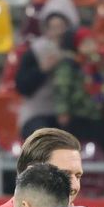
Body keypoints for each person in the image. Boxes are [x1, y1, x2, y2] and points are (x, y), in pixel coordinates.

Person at [52, 28, 104, 160]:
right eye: (85, 43)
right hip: (79, 114)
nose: (90, 46)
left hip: (101, 115)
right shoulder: (70, 65)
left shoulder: (101, 63)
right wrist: (63, 111)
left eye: (91, 42)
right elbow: (62, 88)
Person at [14, 7, 75, 140]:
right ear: (46, 30)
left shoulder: (75, 52)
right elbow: (22, 87)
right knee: (45, 141)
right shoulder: (35, 52)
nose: (58, 32)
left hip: (71, 113)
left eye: (61, 27)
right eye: (54, 28)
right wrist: (42, 70)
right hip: (38, 113)